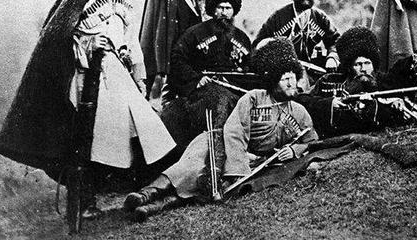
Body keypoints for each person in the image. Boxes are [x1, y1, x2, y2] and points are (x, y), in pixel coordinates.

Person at [0, 0, 176, 218]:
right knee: (88, 141)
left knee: (140, 131)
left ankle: (132, 189)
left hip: (120, 79)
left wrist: (139, 76)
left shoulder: (122, 4)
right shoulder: (74, 0)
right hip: (86, 80)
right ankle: (84, 200)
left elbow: (132, 44)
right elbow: (57, 43)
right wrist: (89, 45)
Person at [123, 38, 318, 222]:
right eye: (285, 79)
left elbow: (311, 140)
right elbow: (235, 132)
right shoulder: (254, 98)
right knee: (191, 166)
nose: (292, 84)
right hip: (221, 144)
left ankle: (153, 208)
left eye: (293, 78)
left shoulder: (299, 112)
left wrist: (294, 150)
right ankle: (146, 194)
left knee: (201, 184)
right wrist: (238, 169)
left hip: (254, 161)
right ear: (273, 80)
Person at [161, 0, 252, 149]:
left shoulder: (242, 38)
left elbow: (249, 68)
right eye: (219, 7)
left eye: (228, 8)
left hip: (234, 93)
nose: (224, 12)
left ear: (234, 9)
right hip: (200, 94)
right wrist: (196, 79)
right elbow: (177, 59)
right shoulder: (194, 33)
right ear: (212, 8)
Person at [294, 27, 402, 137]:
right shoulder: (329, 81)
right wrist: (330, 103)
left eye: (367, 63)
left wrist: (375, 105)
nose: (363, 69)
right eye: (358, 64)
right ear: (349, 67)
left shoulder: (384, 82)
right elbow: (301, 100)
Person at [253, 0, 340, 80]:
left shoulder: (320, 18)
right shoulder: (278, 18)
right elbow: (258, 46)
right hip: (286, 77)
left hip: (316, 76)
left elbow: (336, 42)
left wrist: (332, 57)